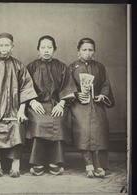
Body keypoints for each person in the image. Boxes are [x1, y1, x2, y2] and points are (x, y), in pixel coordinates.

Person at [0, 33, 37, 178]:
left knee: (17, 126)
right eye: (1, 45)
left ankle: (15, 165)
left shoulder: (18, 66)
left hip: (14, 110)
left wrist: (21, 111)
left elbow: (26, 88)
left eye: (7, 45)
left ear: (12, 47)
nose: (4, 48)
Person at [26, 35, 77, 176]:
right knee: (38, 121)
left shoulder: (61, 66)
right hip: (37, 104)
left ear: (54, 49)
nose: (46, 50)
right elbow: (25, 88)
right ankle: (38, 162)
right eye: (43, 47)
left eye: (49, 47)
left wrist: (61, 104)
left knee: (58, 120)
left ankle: (56, 161)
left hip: (56, 103)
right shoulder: (31, 67)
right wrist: (32, 101)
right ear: (38, 50)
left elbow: (68, 87)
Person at [68, 38, 114, 178]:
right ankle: (88, 164)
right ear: (78, 52)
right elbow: (67, 87)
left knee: (99, 131)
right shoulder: (72, 67)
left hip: (96, 103)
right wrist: (77, 94)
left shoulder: (100, 67)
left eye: (90, 50)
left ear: (94, 51)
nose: (87, 53)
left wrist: (102, 96)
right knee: (83, 130)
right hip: (79, 105)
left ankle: (99, 165)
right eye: (84, 50)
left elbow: (105, 85)